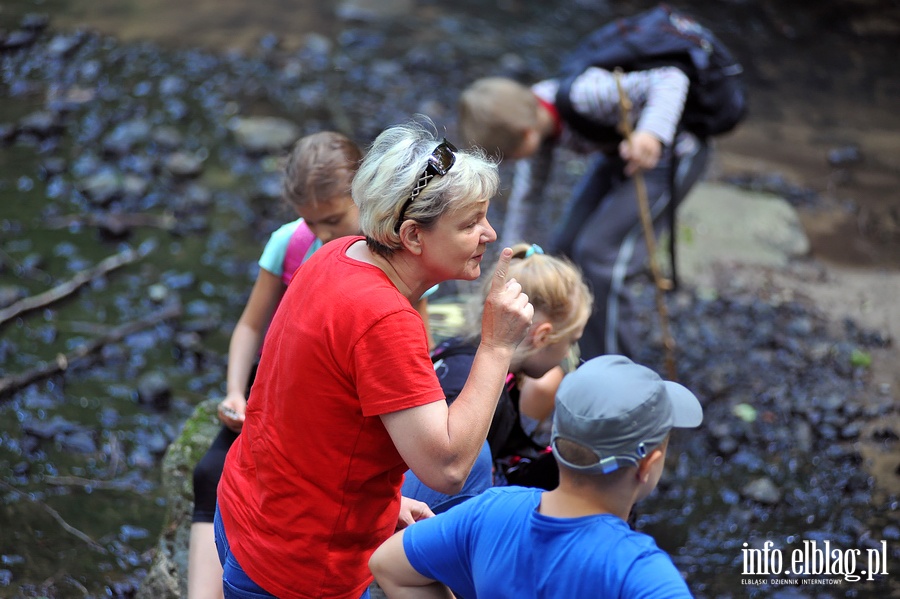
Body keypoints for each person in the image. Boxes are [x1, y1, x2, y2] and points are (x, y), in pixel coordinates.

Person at [214, 119, 535, 599]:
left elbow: (316, 425)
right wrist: (496, 345)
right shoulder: (384, 319)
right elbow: (444, 467)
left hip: (244, 511)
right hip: (298, 568)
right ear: (412, 236)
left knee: (477, 463)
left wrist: (389, 504)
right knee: (464, 469)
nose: (489, 233)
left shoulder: (338, 253)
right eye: (470, 223)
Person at [188, 130, 435, 599]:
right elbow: (249, 327)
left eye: (333, 219)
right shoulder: (291, 244)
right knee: (209, 470)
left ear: (365, 197)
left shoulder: (400, 261)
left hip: (348, 392)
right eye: (310, 221)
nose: (322, 234)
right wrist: (236, 390)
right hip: (282, 386)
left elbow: (414, 352)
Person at [369, 354, 704, 598]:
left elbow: (388, 566)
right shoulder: (641, 571)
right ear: (647, 466)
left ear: (557, 444)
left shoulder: (493, 511)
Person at [458, 39, 711, 361]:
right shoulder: (532, 121)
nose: (512, 163)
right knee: (565, 245)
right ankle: (577, 340)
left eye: (509, 157)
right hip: (617, 154)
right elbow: (528, 199)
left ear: (526, 134)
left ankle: (615, 362)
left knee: (600, 255)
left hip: (670, 155)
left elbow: (672, 79)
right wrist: (510, 260)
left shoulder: (584, 94)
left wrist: (651, 133)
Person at [402, 242, 592, 502]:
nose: (569, 354)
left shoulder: (460, 347)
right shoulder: (482, 388)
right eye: (570, 342)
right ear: (542, 336)